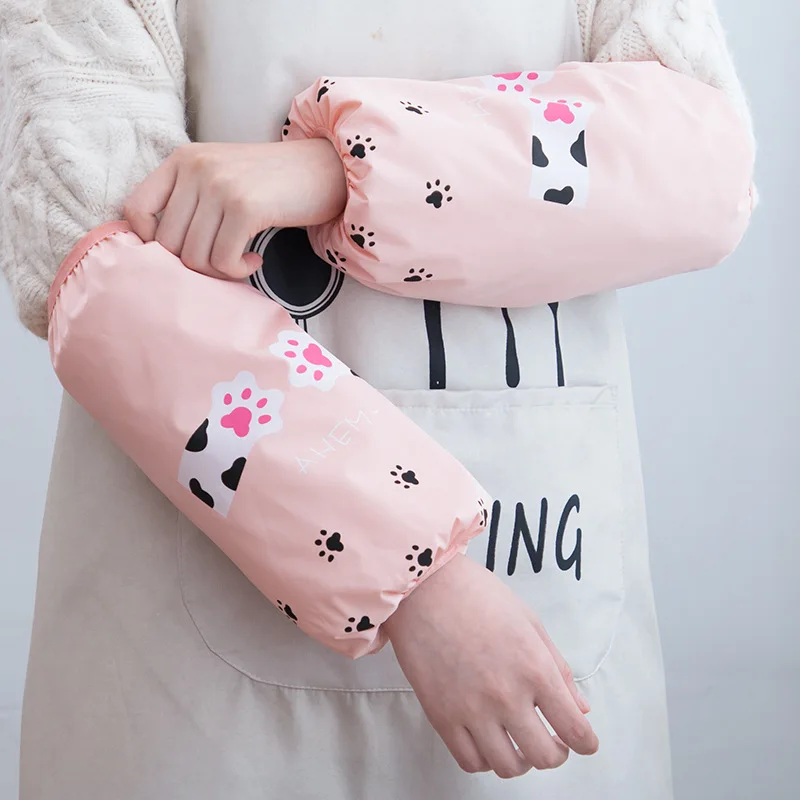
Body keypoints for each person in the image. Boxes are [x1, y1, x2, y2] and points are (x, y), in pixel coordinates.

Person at [0, 1, 754, 798]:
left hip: (542, 574)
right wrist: (419, 578)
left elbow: (700, 167)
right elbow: (97, 266)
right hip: (191, 659)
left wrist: (340, 170)